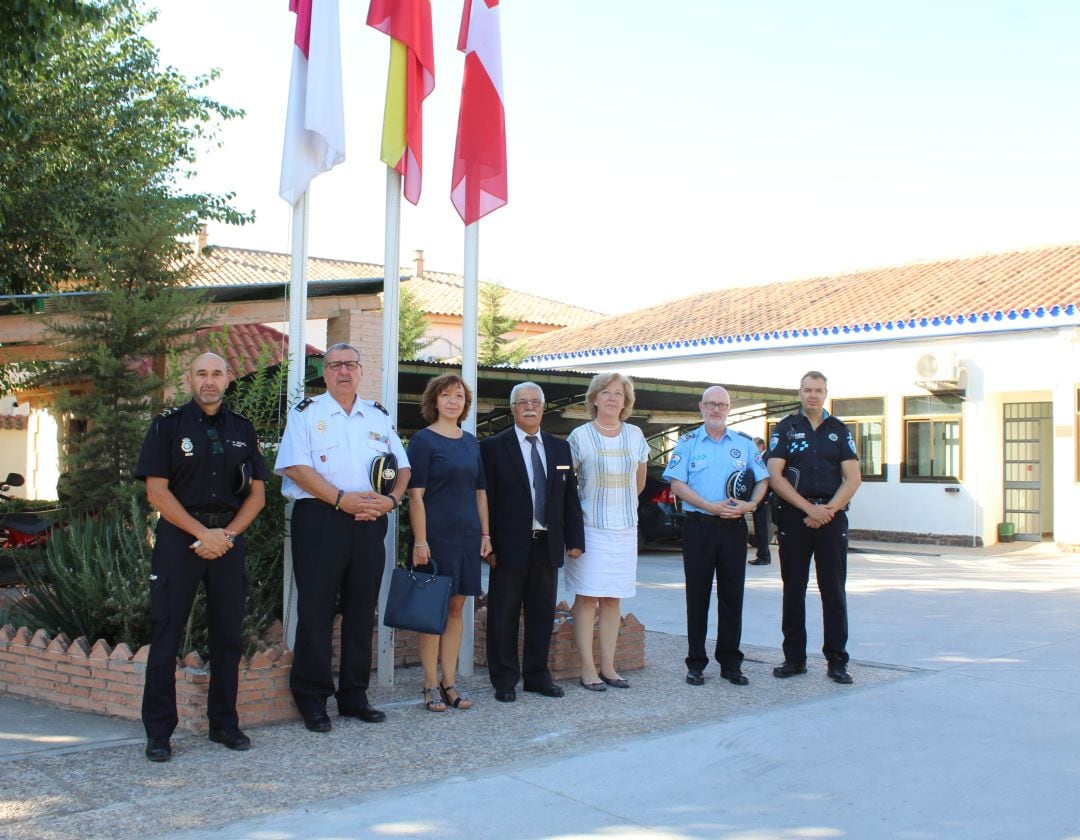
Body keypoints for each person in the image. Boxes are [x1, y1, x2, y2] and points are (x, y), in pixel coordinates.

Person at [136, 352, 269, 762]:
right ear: (188, 379)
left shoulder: (242, 430)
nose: (209, 381)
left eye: (216, 373)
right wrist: (201, 534)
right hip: (181, 538)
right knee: (167, 634)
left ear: (228, 378)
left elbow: (258, 495)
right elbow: (157, 493)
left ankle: (224, 724)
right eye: (201, 374)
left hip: (227, 540)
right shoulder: (167, 426)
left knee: (228, 635)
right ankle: (159, 732)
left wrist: (225, 535)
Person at [275, 343, 410, 732]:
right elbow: (297, 469)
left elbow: (403, 466)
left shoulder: (377, 416)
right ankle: (313, 699)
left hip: (370, 518)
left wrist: (391, 501)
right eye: (335, 366)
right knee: (315, 610)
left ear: (361, 371)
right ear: (325, 373)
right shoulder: (307, 414)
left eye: (350, 365)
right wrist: (340, 500)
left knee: (361, 609)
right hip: (321, 518)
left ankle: (354, 696)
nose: (343, 372)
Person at [480, 382, 585, 702]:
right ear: (512, 408)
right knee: (503, 616)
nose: (529, 407)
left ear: (542, 407)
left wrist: (575, 540)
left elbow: (569, 497)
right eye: (522, 402)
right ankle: (505, 680)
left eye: (535, 402)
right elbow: (487, 500)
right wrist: (489, 543)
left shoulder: (559, 448)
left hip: (547, 543)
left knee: (541, 615)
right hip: (509, 545)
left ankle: (537, 677)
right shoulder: (493, 447)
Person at [663, 386, 768, 687]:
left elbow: (762, 479)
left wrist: (751, 505)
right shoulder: (687, 443)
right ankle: (696, 662)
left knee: (732, 596)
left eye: (722, 405)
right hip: (699, 525)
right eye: (711, 404)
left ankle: (730, 662)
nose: (716, 410)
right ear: (701, 407)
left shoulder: (745, 445)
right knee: (697, 596)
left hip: (733, 528)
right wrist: (708, 505)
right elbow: (677, 485)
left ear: (729, 408)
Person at [767, 370, 861, 685]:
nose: (812, 395)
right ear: (799, 392)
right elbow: (775, 475)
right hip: (795, 516)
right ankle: (794, 659)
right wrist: (809, 509)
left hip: (831, 517)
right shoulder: (786, 427)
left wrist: (828, 511)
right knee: (793, 589)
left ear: (825, 393)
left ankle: (837, 661)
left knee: (833, 590)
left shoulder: (839, 429)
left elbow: (853, 477)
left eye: (818, 390)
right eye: (807, 390)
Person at [406, 374, 492, 712]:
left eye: (458, 395)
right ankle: (428, 684)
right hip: (434, 538)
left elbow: (481, 492)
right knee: (433, 611)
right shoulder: (423, 441)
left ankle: (449, 682)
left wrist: (486, 535)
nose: (453, 401)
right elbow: (415, 496)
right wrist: (420, 541)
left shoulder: (471, 442)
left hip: (468, 536)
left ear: (465, 403)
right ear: (434, 401)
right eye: (446, 395)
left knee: (457, 609)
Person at [565, 372, 649, 691]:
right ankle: (587, 669)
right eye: (606, 392)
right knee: (587, 598)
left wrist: (621, 508)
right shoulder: (579, 436)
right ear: (594, 398)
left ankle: (609, 667)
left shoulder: (636, 435)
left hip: (624, 529)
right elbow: (569, 486)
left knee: (613, 599)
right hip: (590, 529)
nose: (613, 398)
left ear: (625, 401)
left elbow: (638, 483)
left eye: (619, 393)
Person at [748, 437, 773, 566]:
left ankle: (764, 556)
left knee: (762, 527)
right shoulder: (760, 458)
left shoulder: (767, 458)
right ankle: (762, 554)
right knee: (759, 527)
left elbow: (767, 478)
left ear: (761, 446)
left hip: (765, 498)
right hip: (759, 498)